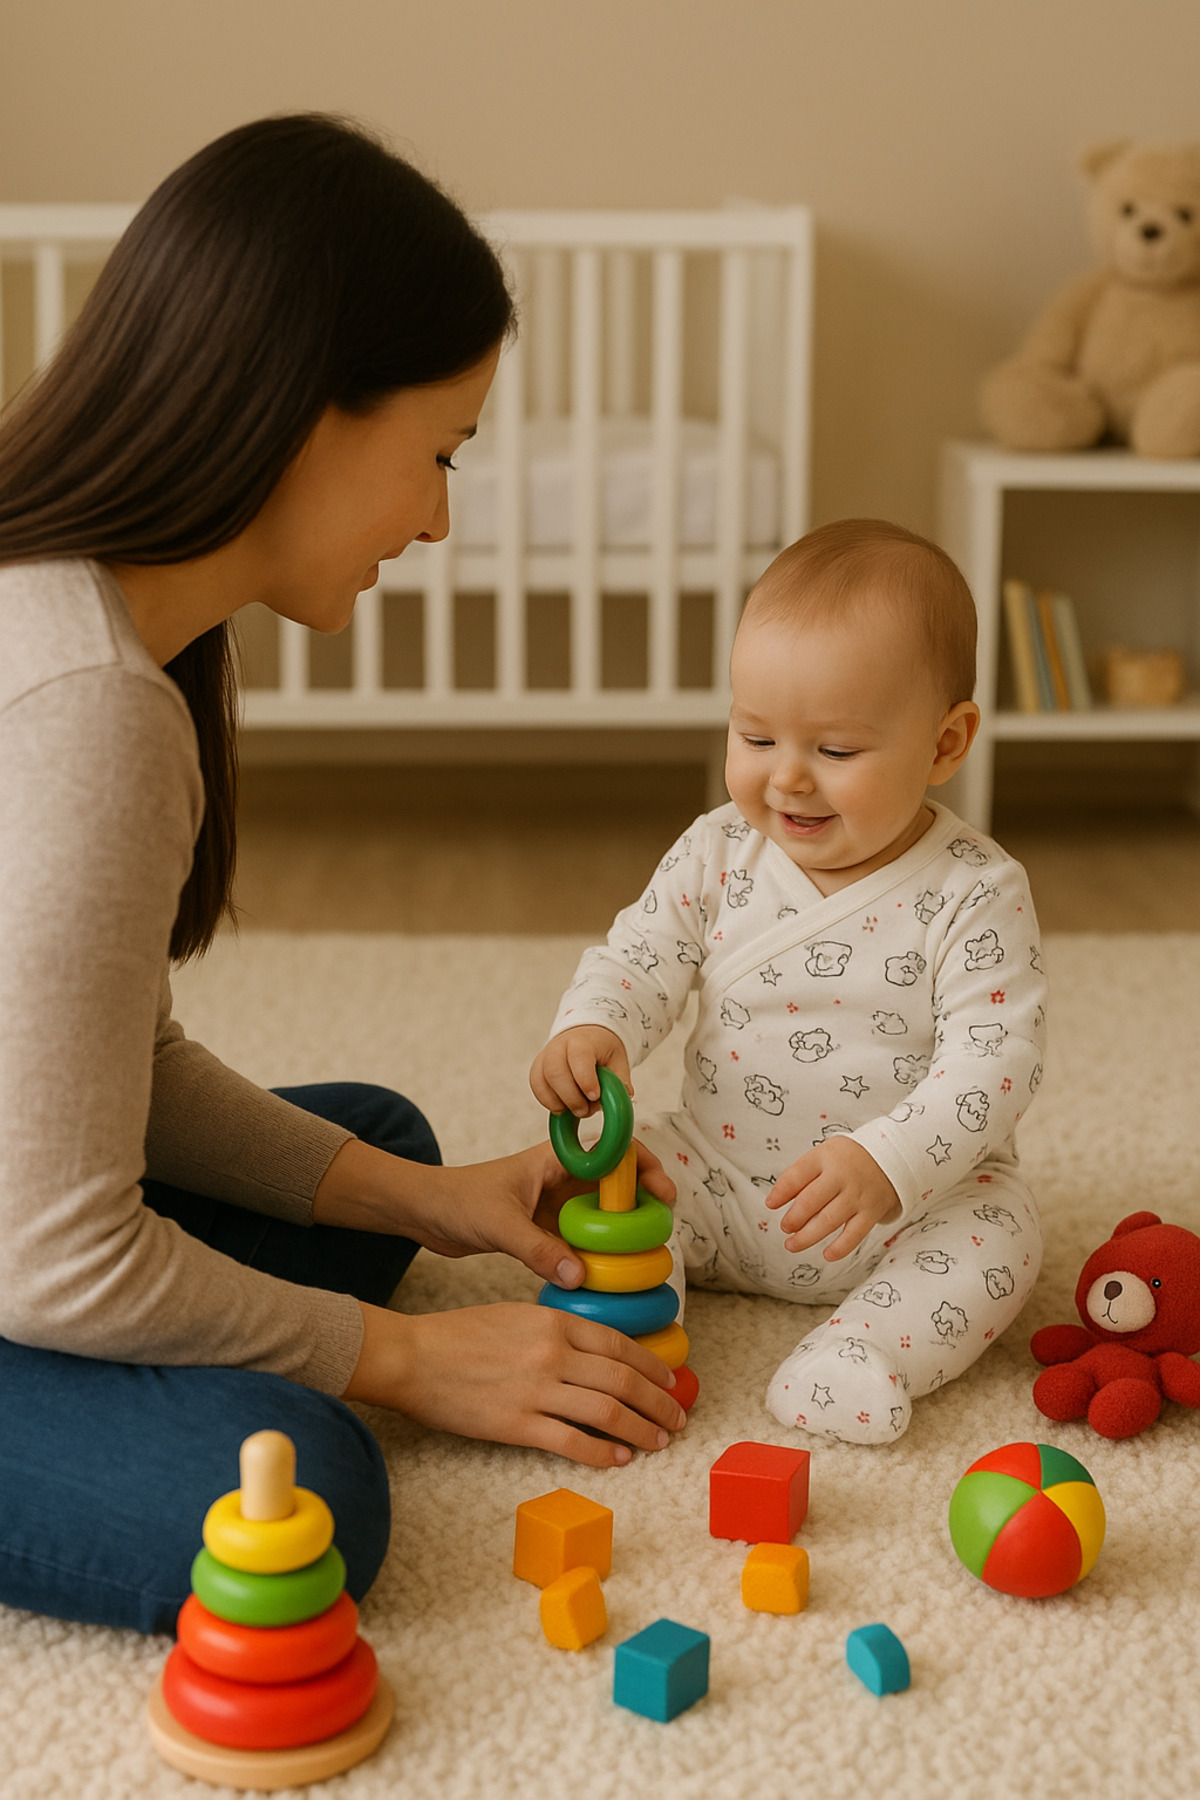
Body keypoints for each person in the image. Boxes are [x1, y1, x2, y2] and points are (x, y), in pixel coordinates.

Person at [0, 114, 685, 1637]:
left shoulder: (103, 626)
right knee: (307, 1487)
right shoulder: (85, 709)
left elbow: (97, 1065)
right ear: (305, 411)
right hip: (17, 1248)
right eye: (437, 454)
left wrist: (426, 1202)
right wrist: (405, 1364)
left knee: (377, 1146)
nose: (440, 516)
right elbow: (52, 1253)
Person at [531, 519, 1047, 1444]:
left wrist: (891, 1162)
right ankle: (625, 1334)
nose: (787, 780)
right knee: (613, 1188)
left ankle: (861, 1350)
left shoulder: (975, 890)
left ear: (945, 744)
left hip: (905, 1208)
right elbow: (640, 955)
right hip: (722, 1179)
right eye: (755, 737)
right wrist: (595, 1025)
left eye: (837, 752)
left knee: (1004, 1239)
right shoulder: (718, 851)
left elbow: (995, 1064)